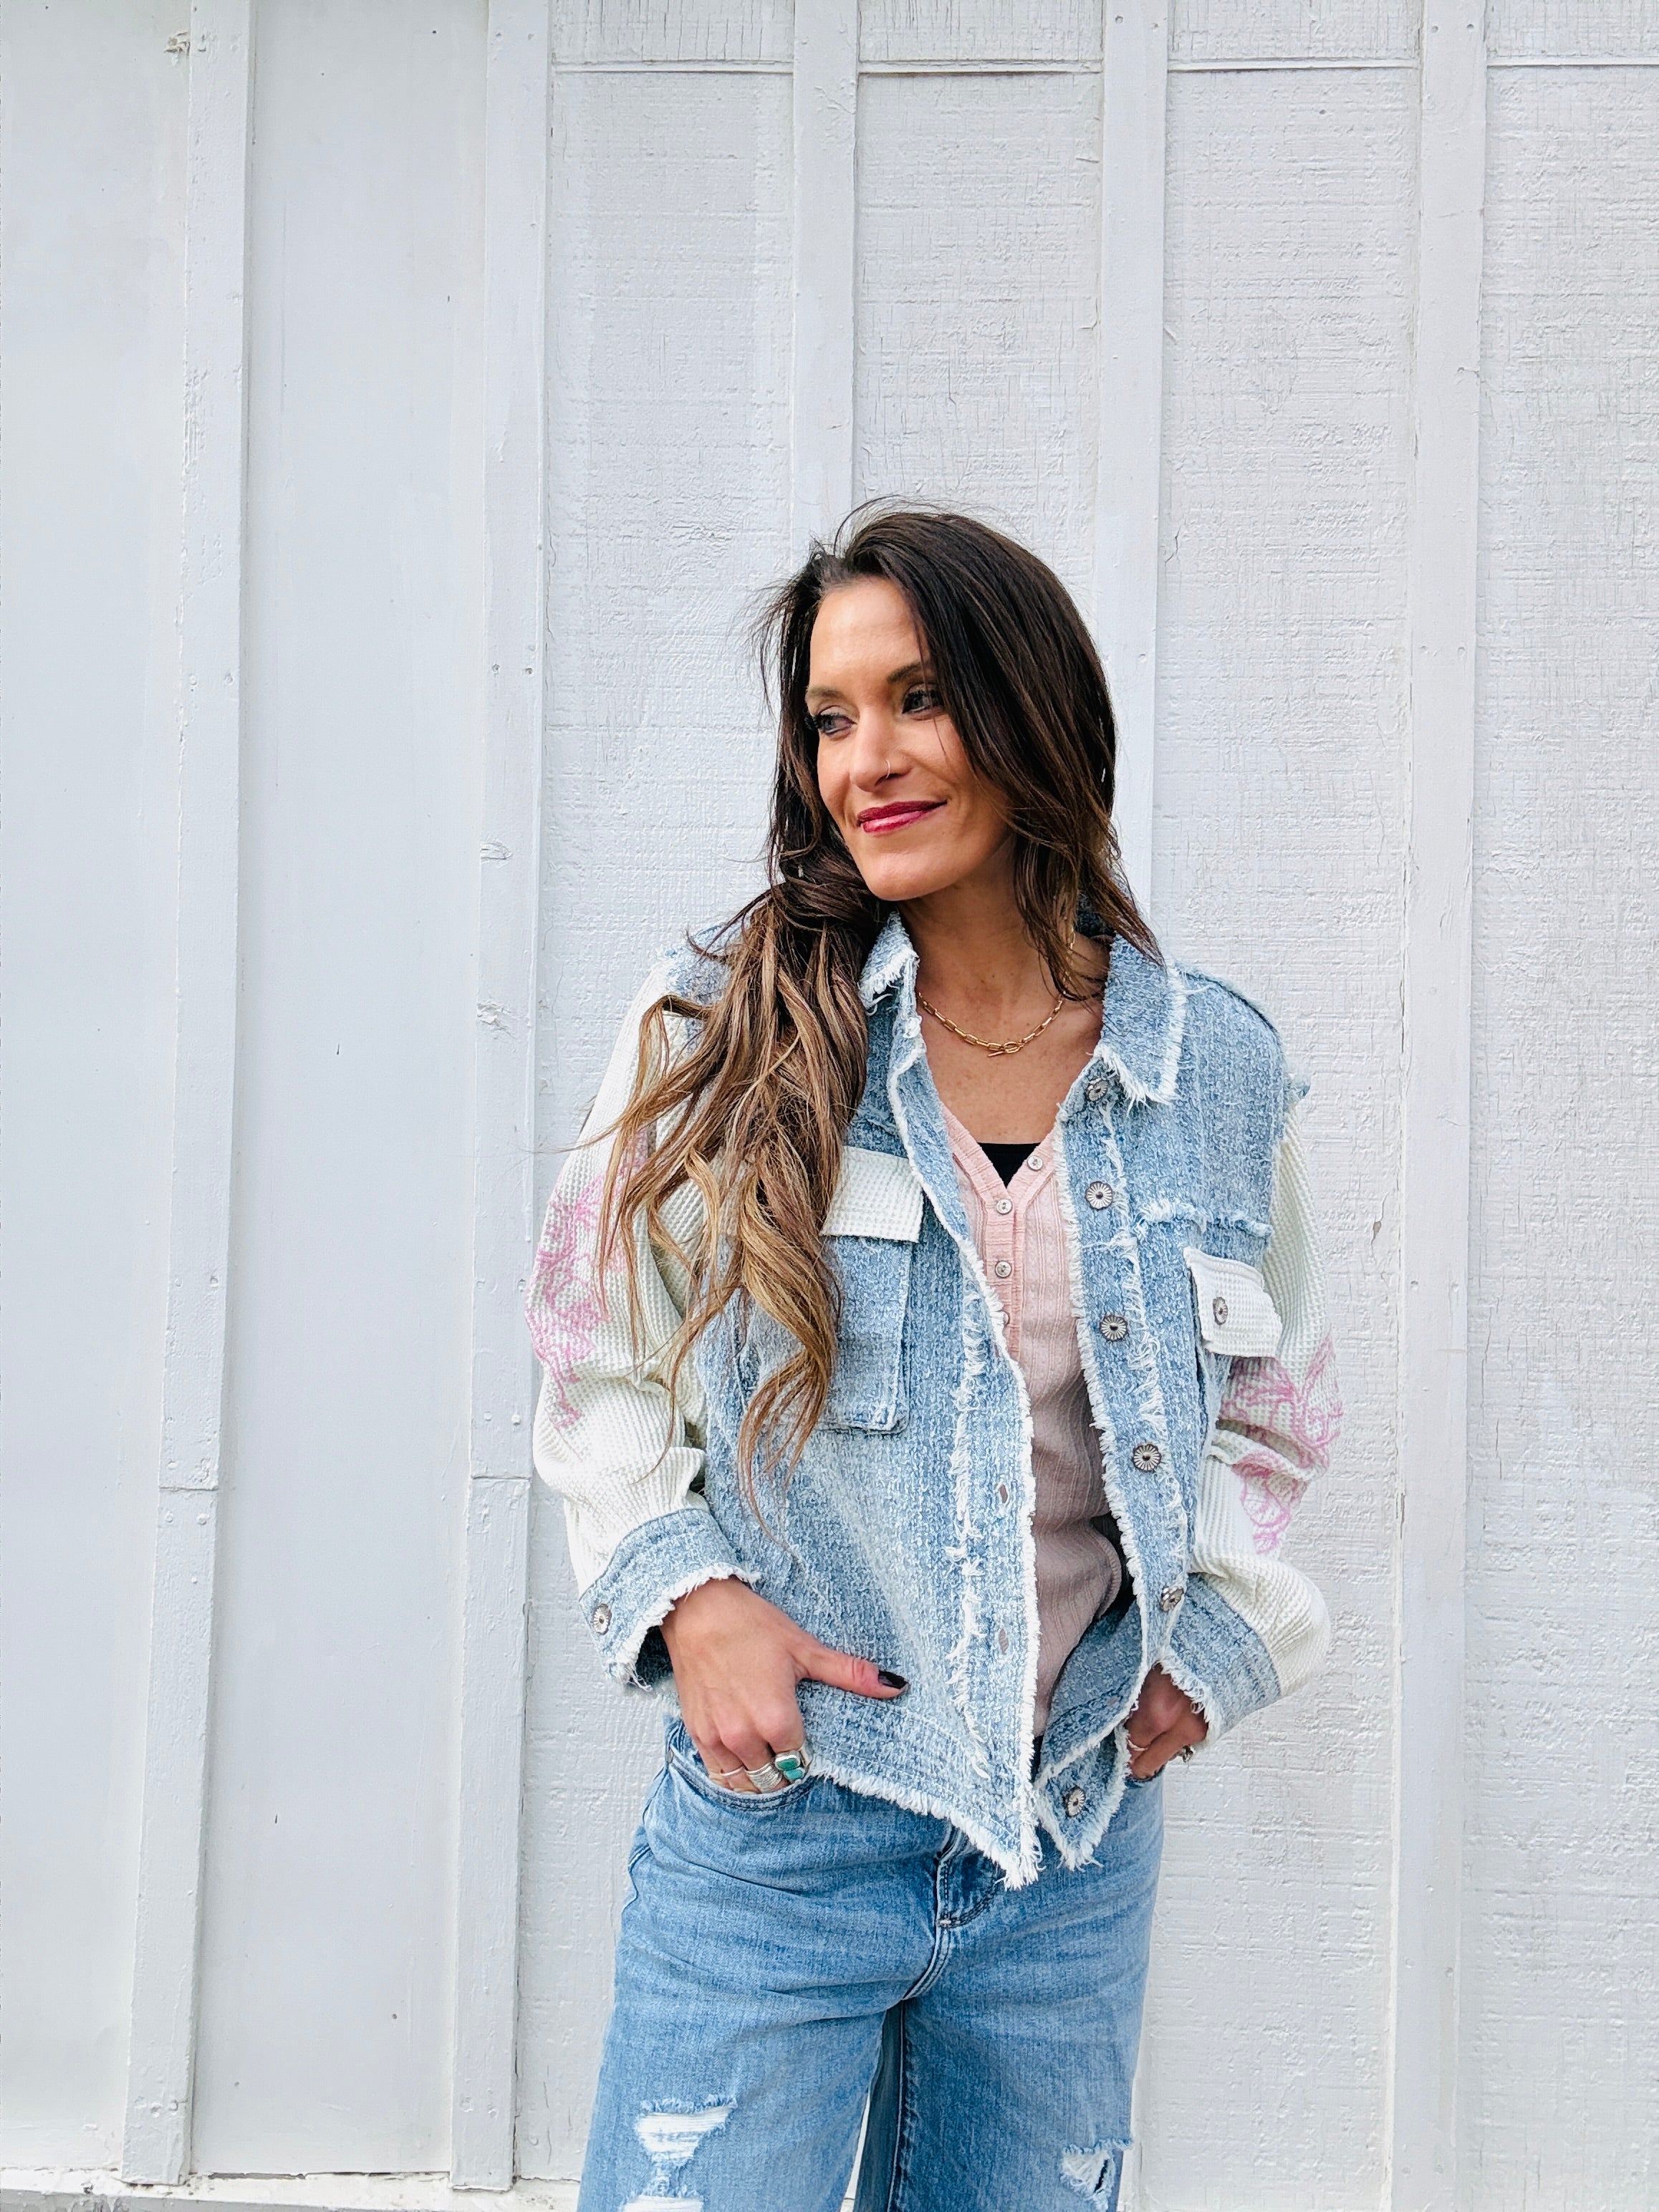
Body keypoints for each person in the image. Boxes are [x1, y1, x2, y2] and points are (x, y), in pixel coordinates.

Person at [527, 508, 1341, 2212]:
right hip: (785, 1825)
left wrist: (1209, 1641)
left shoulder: (1213, 1070)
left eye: (917, 698)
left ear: (1034, 707)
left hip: (1070, 1846)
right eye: (830, 717)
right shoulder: (717, 1027)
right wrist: (690, 1595)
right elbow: (594, 1349)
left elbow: (1275, 1402)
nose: (867, 759)